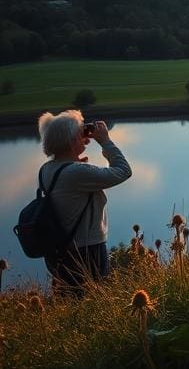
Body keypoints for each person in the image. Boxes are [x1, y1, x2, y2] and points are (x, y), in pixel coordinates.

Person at [37, 110, 132, 294]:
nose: (85, 138)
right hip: (88, 251)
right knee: (95, 302)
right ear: (72, 141)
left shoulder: (46, 169)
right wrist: (105, 141)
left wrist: (76, 161)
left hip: (61, 251)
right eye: (81, 134)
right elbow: (123, 171)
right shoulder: (76, 173)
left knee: (71, 303)